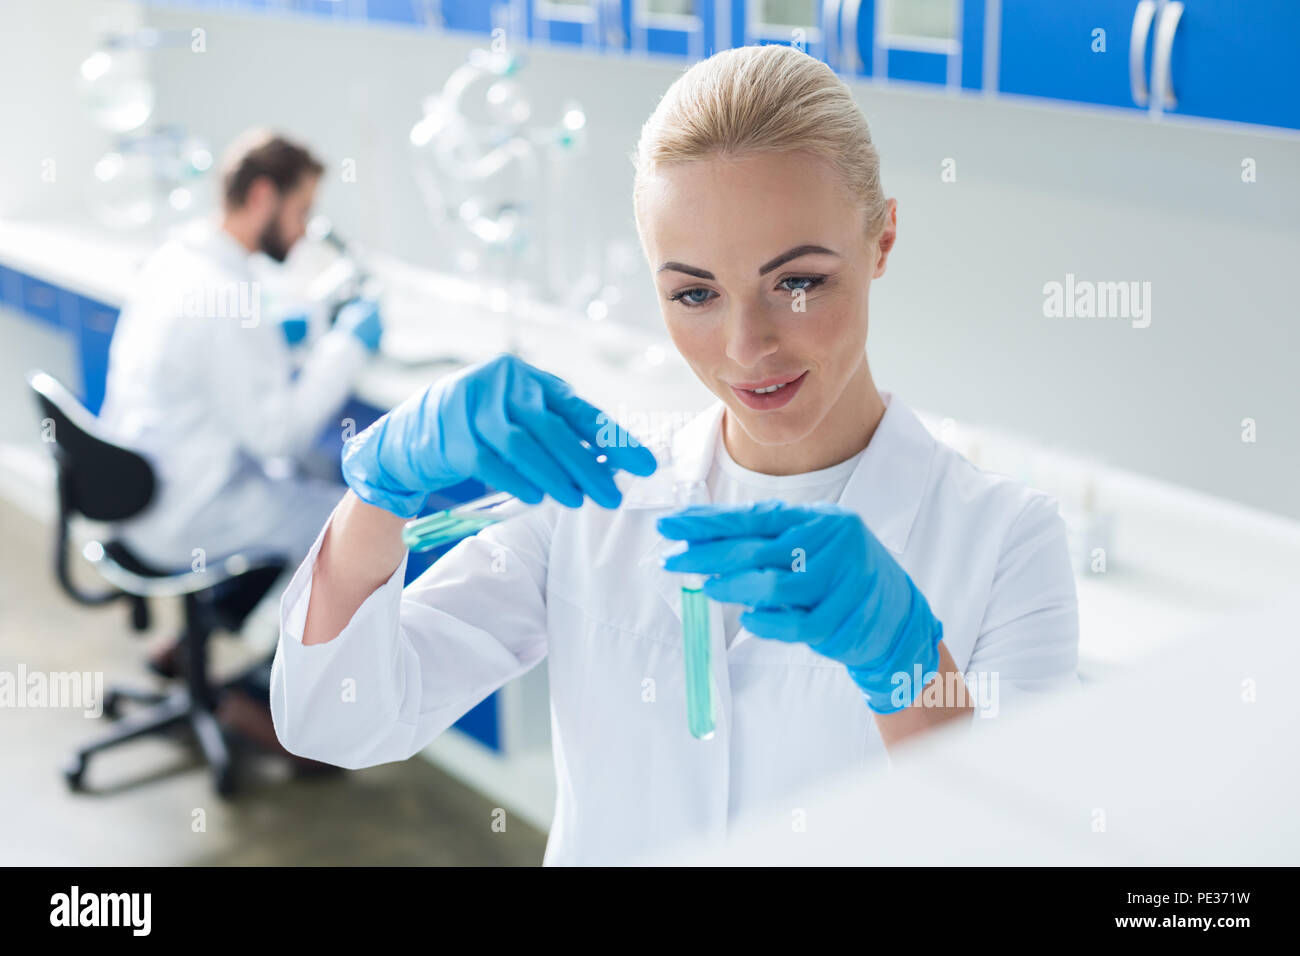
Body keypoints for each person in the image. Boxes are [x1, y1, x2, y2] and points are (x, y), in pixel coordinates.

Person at [270, 45, 1080, 864]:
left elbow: (1022, 850)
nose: (746, 346)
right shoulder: (601, 499)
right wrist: (381, 493)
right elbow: (340, 718)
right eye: (694, 294)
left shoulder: (1008, 542)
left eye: (797, 281)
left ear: (882, 240)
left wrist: (911, 667)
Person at [97, 130, 381, 744]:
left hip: (131, 501)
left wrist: (284, 330)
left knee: (295, 488)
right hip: (185, 514)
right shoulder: (228, 296)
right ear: (262, 196)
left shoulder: (180, 260)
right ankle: (259, 690)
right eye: (301, 211)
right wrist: (347, 348)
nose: (304, 232)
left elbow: (220, 369)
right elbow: (276, 434)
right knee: (342, 521)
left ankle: (197, 635)